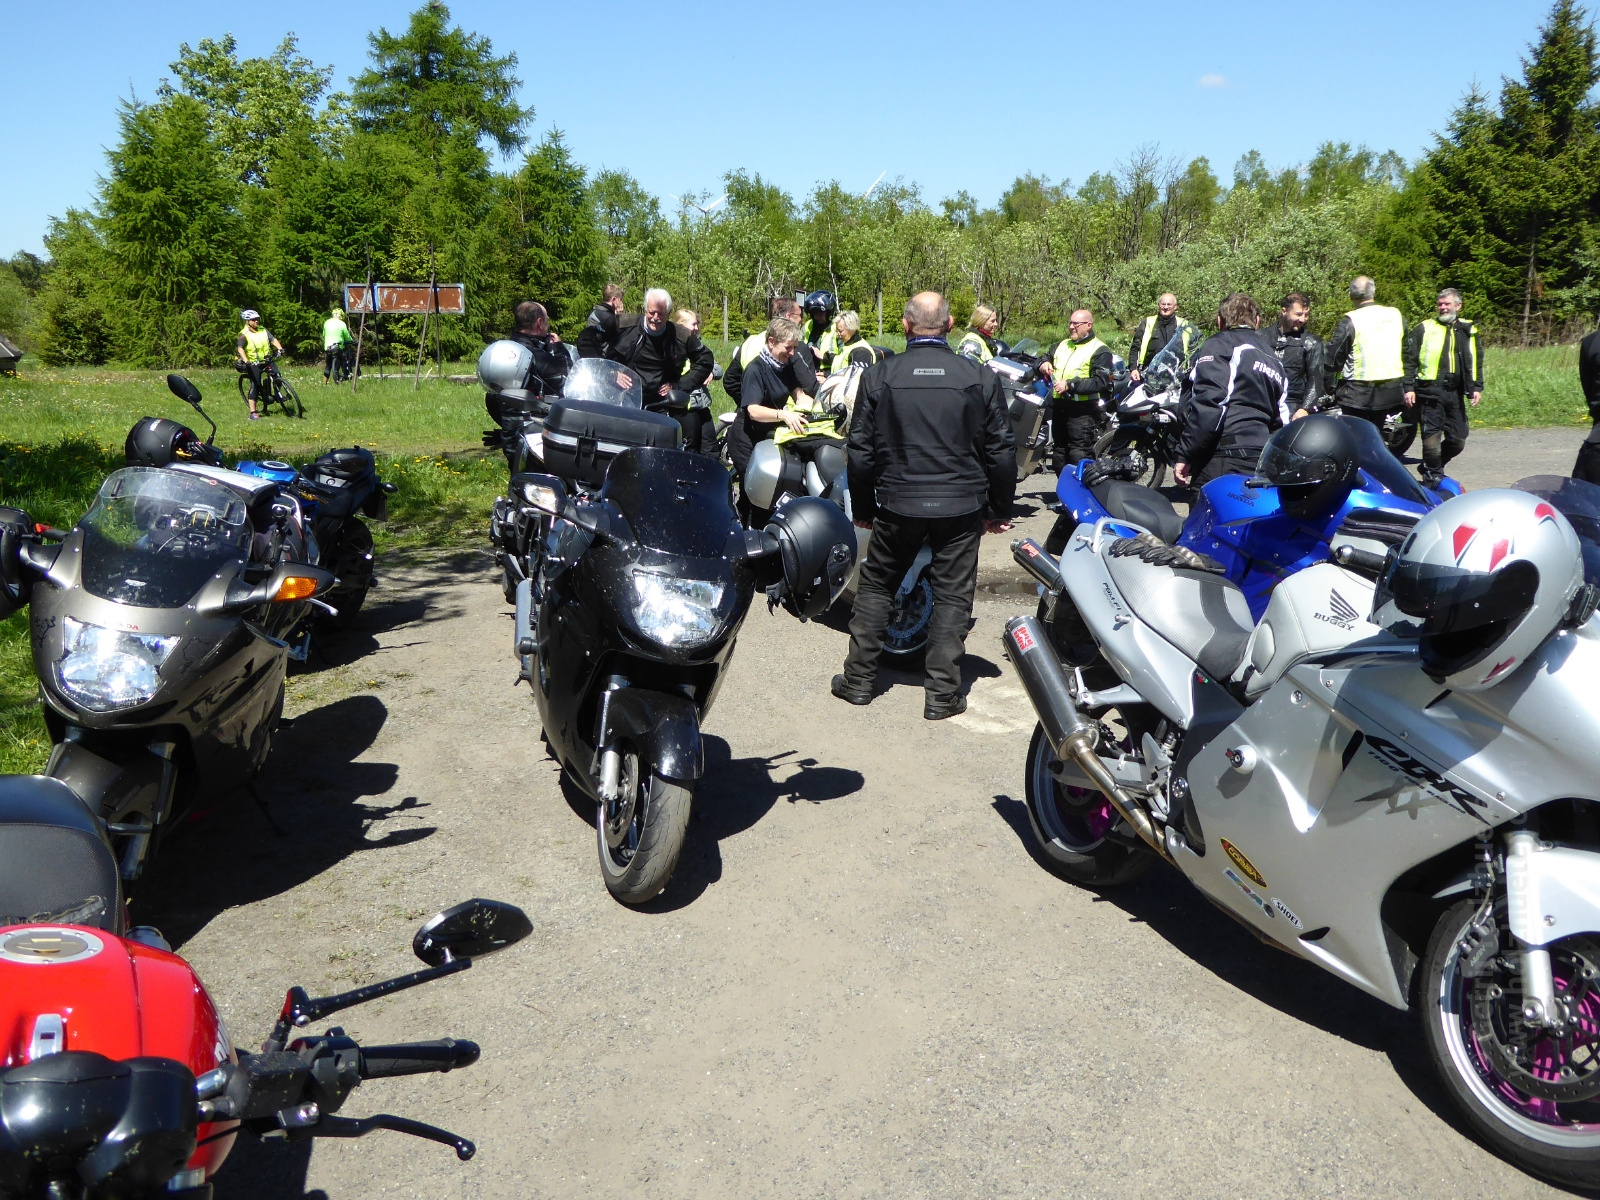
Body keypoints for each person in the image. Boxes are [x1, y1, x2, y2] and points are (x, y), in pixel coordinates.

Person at [833, 291, 1016, 721]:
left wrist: (864, 508)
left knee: (877, 586)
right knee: (953, 595)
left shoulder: (879, 375)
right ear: (949, 325)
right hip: (960, 506)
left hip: (898, 503)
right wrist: (998, 510)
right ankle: (942, 695)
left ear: (906, 325)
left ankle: (858, 681)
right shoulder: (979, 376)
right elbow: (1001, 451)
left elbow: (859, 451)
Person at [1172, 292, 1291, 487]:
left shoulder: (1220, 344)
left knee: (1207, 508)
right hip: (1261, 459)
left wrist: (1185, 453)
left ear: (1220, 321)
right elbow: (1282, 420)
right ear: (1257, 321)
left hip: (1223, 457)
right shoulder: (1275, 360)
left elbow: (1211, 404)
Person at [599, 288, 715, 445]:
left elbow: (705, 360)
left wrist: (678, 385)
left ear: (668, 313)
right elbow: (589, 343)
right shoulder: (623, 325)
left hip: (659, 406)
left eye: (660, 314)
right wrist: (611, 373)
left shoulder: (681, 335)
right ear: (645, 309)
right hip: (622, 401)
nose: (655, 318)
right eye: (651, 312)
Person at [1403, 288, 1483, 486]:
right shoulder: (1424, 328)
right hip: (1429, 392)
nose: (1443, 308)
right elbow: (1409, 360)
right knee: (1431, 441)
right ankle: (1433, 476)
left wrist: (1476, 387)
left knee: (1458, 439)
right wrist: (1408, 387)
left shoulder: (1468, 330)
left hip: (1456, 392)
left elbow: (1476, 360)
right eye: (1440, 304)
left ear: (1458, 306)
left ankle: (1430, 467)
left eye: (1447, 304)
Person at [725, 316, 815, 487]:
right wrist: (784, 415)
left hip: (766, 436)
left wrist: (822, 410)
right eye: (788, 347)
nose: (792, 353)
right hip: (745, 440)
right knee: (753, 491)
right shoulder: (756, 369)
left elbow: (799, 396)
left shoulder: (785, 366)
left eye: (795, 348)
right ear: (771, 342)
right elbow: (753, 411)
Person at [1323, 276, 1406, 431]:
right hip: (1390, 389)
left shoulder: (1351, 320)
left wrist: (1328, 384)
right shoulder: (1395, 315)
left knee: (1357, 435)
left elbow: (1334, 357)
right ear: (1374, 292)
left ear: (1351, 296)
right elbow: (1407, 348)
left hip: (1358, 391)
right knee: (1376, 432)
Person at [1038, 309, 1114, 471]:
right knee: (1059, 454)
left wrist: (1070, 385)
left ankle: (1081, 487)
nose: (1071, 327)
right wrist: (1043, 363)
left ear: (1089, 325)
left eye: (1076, 324)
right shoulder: (1062, 345)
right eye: (1070, 323)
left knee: (1078, 454)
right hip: (1060, 406)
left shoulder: (1100, 350)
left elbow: (1100, 381)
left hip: (1082, 411)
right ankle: (1063, 486)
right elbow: (1043, 358)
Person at [724, 296, 818, 403]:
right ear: (788, 316)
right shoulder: (796, 347)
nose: (801, 319)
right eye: (799, 315)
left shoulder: (750, 341)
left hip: (756, 406)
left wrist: (747, 399)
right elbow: (810, 388)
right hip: (788, 410)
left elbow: (730, 381)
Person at [1268, 293, 1325, 420]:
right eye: (1298, 314)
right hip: (1264, 401)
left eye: (1306, 315)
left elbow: (1316, 380)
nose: (1303, 319)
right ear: (1284, 311)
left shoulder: (1312, 343)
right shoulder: (1262, 337)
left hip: (1293, 405)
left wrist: (1305, 409)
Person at [670, 309, 717, 453]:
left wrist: (711, 373)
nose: (696, 328)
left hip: (702, 405)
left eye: (697, 324)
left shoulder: (698, 345)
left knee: (710, 446)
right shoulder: (674, 347)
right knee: (691, 448)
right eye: (693, 324)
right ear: (681, 325)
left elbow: (716, 367)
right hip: (686, 407)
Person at [1128, 293, 1199, 382]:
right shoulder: (1147, 322)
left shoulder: (1184, 325)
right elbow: (1135, 347)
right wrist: (1133, 368)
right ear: (1158, 305)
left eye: (1169, 304)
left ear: (1175, 307)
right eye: (1163, 304)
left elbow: (1193, 352)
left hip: (1176, 376)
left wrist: (1191, 371)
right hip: (1149, 373)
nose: (1165, 307)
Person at [508, 300, 571, 396]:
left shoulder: (508, 348)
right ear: (539, 323)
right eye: (547, 320)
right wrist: (559, 349)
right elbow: (567, 382)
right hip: (533, 405)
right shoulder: (538, 357)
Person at [235, 309, 283, 421]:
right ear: (247, 321)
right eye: (253, 320)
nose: (256, 321)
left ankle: (275, 395)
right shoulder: (243, 334)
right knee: (255, 385)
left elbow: (272, 339)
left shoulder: (263, 330)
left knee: (277, 377)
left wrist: (280, 348)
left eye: (257, 319)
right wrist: (246, 361)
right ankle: (253, 413)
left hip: (266, 359)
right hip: (253, 363)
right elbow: (240, 348)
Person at [577, 283, 626, 358]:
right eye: (620, 300)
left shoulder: (596, 312)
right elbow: (621, 338)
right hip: (603, 359)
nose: (622, 303)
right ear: (614, 300)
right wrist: (620, 316)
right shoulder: (608, 318)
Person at [321, 307, 354, 384]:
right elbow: (347, 337)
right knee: (337, 365)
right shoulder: (342, 324)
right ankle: (338, 382)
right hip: (337, 347)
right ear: (341, 316)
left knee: (328, 366)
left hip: (327, 347)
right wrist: (351, 341)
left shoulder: (326, 322)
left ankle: (324, 384)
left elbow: (324, 334)